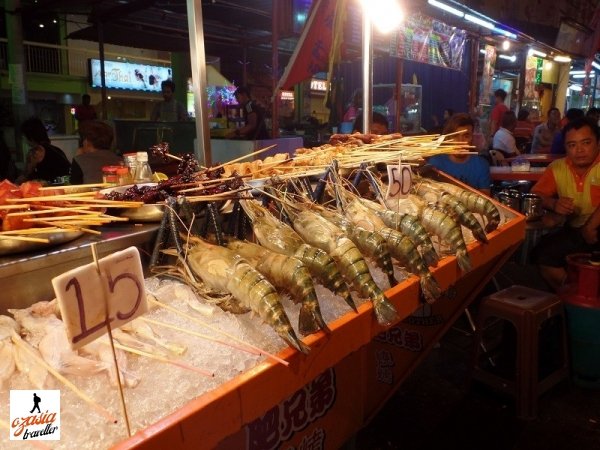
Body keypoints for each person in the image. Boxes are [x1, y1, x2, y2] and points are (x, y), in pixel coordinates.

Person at [530, 117, 600, 291]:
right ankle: (576, 297)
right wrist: (554, 204)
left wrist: (592, 225)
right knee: (542, 254)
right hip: (575, 229)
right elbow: (536, 195)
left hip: (595, 230)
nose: (579, 150)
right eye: (572, 145)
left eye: (586, 143)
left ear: (598, 144)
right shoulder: (558, 168)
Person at [427, 113, 491, 195]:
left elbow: (486, 197)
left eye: (466, 136)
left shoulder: (481, 165)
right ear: (448, 138)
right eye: (455, 136)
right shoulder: (435, 163)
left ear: (472, 138)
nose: (460, 142)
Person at [19, 117, 71, 184]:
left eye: (23, 137)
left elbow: (25, 175)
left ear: (30, 137)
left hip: (52, 189)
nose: (23, 140)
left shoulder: (35, 152)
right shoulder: (57, 150)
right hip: (67, 185)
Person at [70, 121, 123, 185]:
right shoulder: (121, 160)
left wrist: (77, 156)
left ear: (87, 142)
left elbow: (74, 186)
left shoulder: (80, 160)